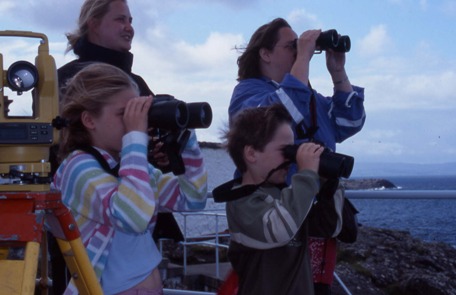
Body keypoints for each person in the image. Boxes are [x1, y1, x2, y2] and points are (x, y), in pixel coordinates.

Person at [49, 1, 184, 291]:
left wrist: (159, 153)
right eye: (120, 19)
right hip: (91, 216)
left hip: (136, 224)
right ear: (93, 23)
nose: (129, 27)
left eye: (131, 20)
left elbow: (137, 141)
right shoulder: (66, 80)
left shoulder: (135, 82)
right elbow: (62, 146)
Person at [229, 18, 366, 294]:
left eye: (300, 47)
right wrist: (304, 56)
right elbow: (276, 114)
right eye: (291, 46)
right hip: (274, 214)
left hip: (315, 215)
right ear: (265, 54)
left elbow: (349, 122)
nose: (299, 51)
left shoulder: (309, 97)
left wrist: (337, 72)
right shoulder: (248, 93)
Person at [52, 62, 208, 294]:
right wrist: (134, 138)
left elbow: (193, 198)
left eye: (138, 114)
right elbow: (132, 216)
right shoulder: (78, 167)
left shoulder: (128, 165)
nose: (135, 122)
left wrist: (184, 141)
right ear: (89, 120)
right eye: (124, 114)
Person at [215, 104, 323, 295]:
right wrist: (307, 176)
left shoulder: (286, 195)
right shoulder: (241, 202)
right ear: (251, 154)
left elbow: (330, 227)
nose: (291, 158)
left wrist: (328, 185)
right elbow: (280, 230)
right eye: (285, 150)